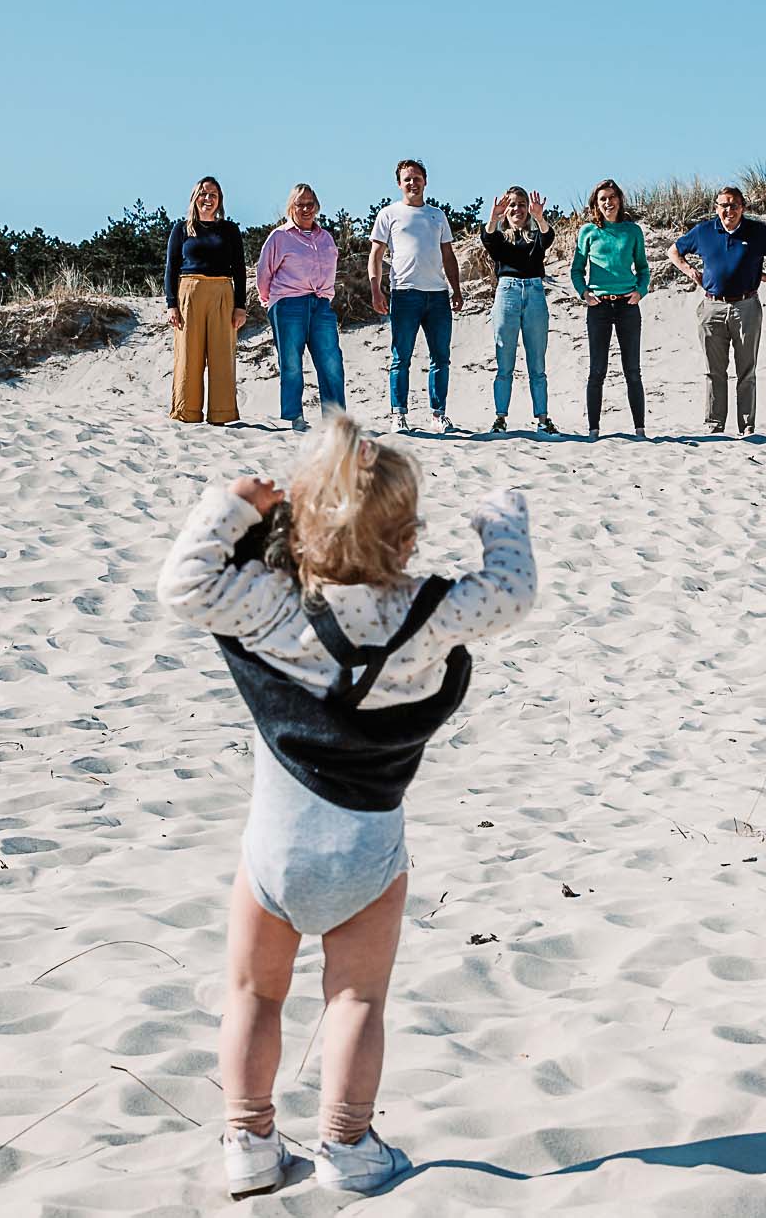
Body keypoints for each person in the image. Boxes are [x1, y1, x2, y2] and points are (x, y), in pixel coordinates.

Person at [157, 412, 537, 1199]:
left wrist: (234, 502)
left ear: (302, 520)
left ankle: (250, 1143)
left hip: (275, 850)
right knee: (358, 997)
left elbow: (183, 583)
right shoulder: (429, 615)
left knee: (256, 993)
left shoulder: (267, 604)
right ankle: (349, 1144)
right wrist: (501, 519)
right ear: (405, 538)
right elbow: (512, 592)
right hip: (368, 852)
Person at [668, 186, 766, 435]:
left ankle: (747, 426)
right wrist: (690, 271)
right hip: (711, 307)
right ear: (716, 207)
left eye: (734, 205)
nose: (728, 210)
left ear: (743, 207)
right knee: (713, 371)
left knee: (746, 371)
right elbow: (674, 251)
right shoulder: (704, 231)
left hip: (746, 306)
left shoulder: (757, 232)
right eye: (723, 205)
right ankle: (714, 426)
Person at [368, 160, 463, 432]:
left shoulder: (437, 215)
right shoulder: (389, 214)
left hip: (437, 296)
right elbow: (376, 255)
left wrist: (455, 289)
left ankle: (438, 414)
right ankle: (398, 414)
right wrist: (376, 289)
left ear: (425, 181)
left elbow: (448, 255)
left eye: (417, 178)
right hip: (404, 293)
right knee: (401, 356)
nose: (413, 183)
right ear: (399, 183)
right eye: (407, 179)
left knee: (440, 357)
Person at [257, 183, 343, 431]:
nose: (305, 209)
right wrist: (270, 303)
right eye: (299, 204)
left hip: (321, 305)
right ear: (291, 207)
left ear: (317, 206)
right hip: (288, 304)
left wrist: (325, 297)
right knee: (292, 362)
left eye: (310, 204)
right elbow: (264, 274)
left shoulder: (326, 238)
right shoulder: (280, 237)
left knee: (331, 361)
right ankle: (294, 417)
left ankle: (335, 421)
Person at [570, 179, 651, 437]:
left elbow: (643, 268)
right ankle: (593, 430)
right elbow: (576, 270)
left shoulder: (632, 231)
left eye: (612, 197)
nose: (608, 202)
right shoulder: (588, 232)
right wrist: (585, 293)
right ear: (596, 203)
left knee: (632, 370)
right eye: (603, 198)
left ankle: (640, 429)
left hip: (627, 305)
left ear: (619, 200)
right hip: (599, 307)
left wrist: (641, 291)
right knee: (597, 370)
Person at [165, 175, 249, 425]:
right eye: (203, 194)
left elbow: (240, 269)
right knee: (188, 355)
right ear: (195, 198)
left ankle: (221, 413)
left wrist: (240, 306)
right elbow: (171, 267)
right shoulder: (181, 229)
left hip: (223, 291)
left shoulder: (229, 230)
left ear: (220, 200)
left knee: (222, 354)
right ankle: (186, 411)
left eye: (213, 195)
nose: (208, 199)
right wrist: (171, 304)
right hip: (189, 292)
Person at [479, 186, 559, 435]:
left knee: (537, 363)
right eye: (512, 204)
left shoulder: (535, 238)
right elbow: (488, 239)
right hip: (507, 294)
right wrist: (493, 218)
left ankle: (543, 419)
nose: (517, 209)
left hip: (534, 294)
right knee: (504, 361)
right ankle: (500, 418)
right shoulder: (501, 239)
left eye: (521, 204)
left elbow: (547, 238)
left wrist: (539, 217)